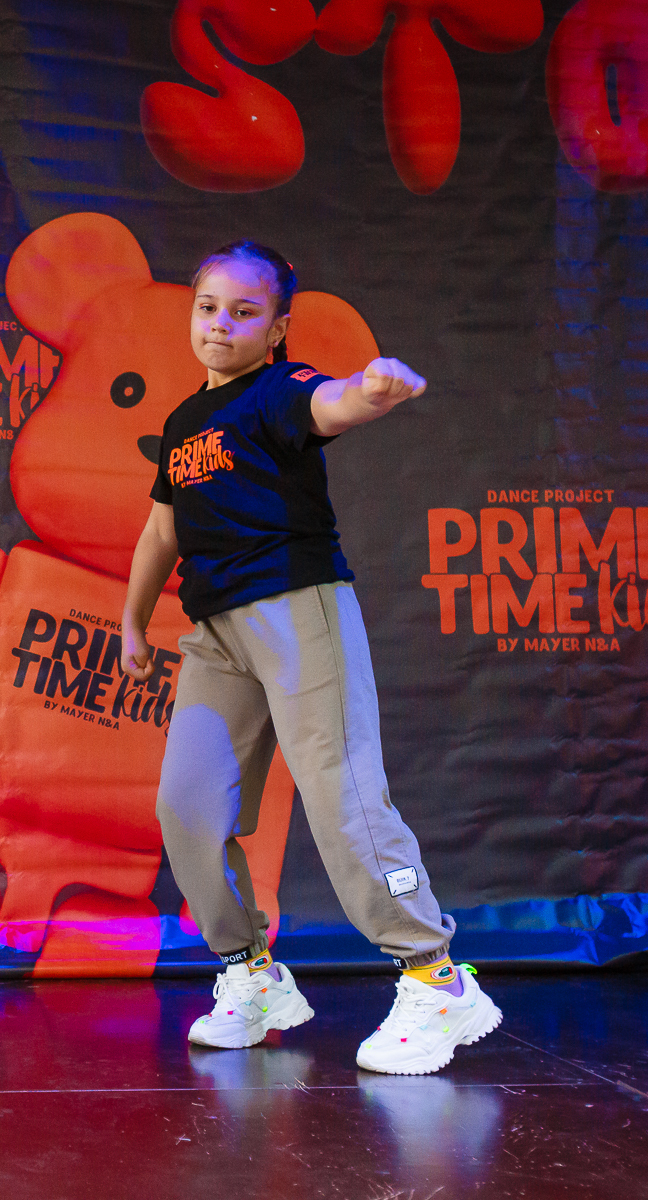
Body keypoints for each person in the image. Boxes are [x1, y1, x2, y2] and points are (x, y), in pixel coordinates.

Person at [119, 239, 500, 1075]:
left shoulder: (280, 389)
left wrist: (370, 391)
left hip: (296, 609)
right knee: (188, 810)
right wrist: (132, 620)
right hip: (215, 634)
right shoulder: (182, 423)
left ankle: (435, 978)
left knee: (341, 793)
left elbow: (331, 402)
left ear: (276, 329)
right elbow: (161, 531)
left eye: (243, 312)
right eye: (208, 308)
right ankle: (252, 975)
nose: (221, 324)